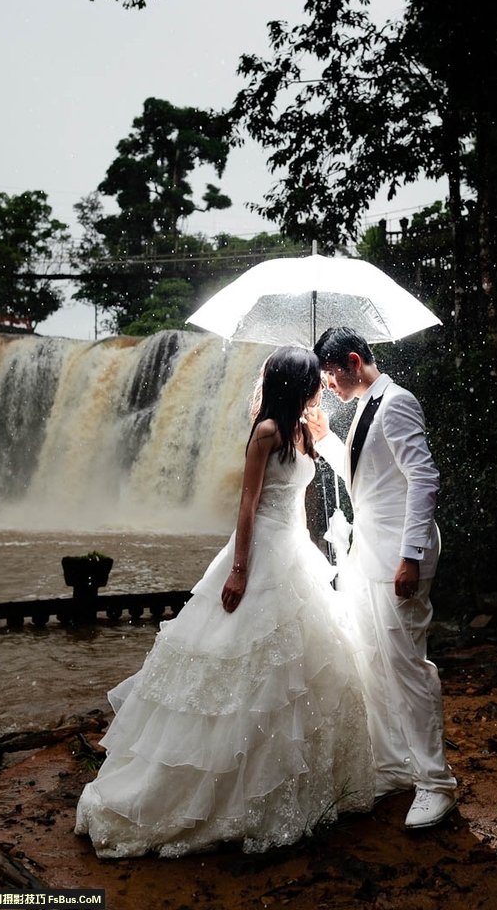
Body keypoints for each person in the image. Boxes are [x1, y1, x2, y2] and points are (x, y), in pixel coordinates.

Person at [75, 346, 375, 858]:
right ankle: (209, 793)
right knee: (243, 669)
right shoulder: (265, 433)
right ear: (294, 384)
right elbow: (249, 503)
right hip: (259, 555)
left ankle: (292, 789)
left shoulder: (305, 431)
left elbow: (314, 491)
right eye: (313, 379)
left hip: (294, 552)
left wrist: (323, 444)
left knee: (296, 671)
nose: (321, 385)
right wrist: (239, 569)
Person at [308, 327, 457, 829]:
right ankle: (394, 767)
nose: (327, 384)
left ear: (353, 361)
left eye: (330, 374)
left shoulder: (396, 402)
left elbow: (423, 479)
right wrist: (326, 436)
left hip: (399, 554)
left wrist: (411, 556)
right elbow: (362, 483)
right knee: (374, 661)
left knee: (407, 664)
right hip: (368, 554)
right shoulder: (365, 407)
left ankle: (435, 783)